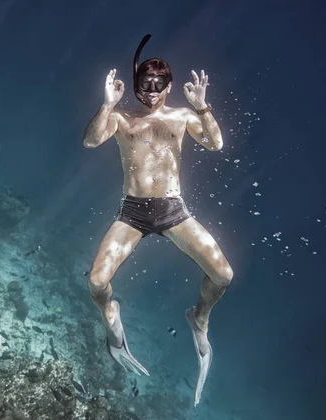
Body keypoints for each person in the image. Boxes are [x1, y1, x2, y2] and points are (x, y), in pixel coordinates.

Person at [82, 34, 233, 407]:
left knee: (223, 275)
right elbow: (90, 141)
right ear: (134, 86)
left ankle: (198, 317)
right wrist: (106, 104)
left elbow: (216, 144)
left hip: (172, 210)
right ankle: (111, 316)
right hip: (132, 211)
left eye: (156, 86)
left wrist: (202, 108)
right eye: (143, 86)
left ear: (168, 87)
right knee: (97, 283)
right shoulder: (121, 117)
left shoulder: (182, 117)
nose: (148, 94)